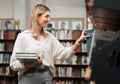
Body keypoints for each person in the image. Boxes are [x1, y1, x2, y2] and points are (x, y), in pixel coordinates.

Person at [10, 4, 90, 84]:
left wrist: (79, 41)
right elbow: (13, 64)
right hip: (27, 78)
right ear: (37, 16)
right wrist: (30, 65)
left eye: (49, 17)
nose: (49, 20)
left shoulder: (50, 37)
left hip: (46, 77)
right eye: (46, 16)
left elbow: (64, 53)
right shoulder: (22, 37)